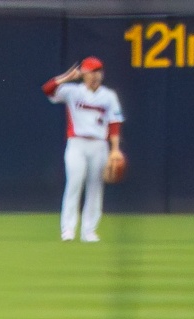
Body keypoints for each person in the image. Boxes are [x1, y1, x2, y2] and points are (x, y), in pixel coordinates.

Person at [45, 57, 125, 242]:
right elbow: (47, 89)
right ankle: (68, 229)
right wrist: (67, 77)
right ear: (84, 74)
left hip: (99, 145)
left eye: (98, 71)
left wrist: (115, 149)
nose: (95, 75)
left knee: (95, 187)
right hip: (77, 143)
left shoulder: (109, 96)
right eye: (91, 72)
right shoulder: (73, 91)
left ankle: (89, 231)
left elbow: (114, 123)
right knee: (74, 184)